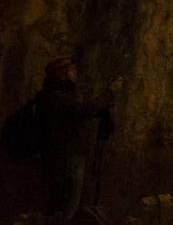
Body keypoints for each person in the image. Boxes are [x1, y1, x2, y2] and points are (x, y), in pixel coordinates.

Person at [35, 57, 120, 221]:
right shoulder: (55, 96)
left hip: (66, 153)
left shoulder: (59, 94)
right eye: (72, 70)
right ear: (63, 74)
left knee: (63, 199)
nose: (76, 73)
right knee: (69, 201)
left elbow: (76, 114)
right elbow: (81, 110)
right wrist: (110, 92)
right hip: (66, 155)